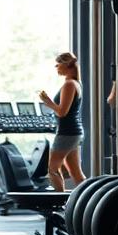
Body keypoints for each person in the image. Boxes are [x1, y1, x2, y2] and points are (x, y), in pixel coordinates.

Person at [38, 52, 87, 193]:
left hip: (67, 132)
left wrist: (48, 102)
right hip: (74, 132)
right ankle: (85, 201)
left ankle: (59, 204)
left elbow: (62, 112)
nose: (56, 67)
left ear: (66, 65)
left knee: (52, 170)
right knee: (76, 173)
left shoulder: (69, 84)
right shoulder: (76, 83)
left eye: (58, 64)